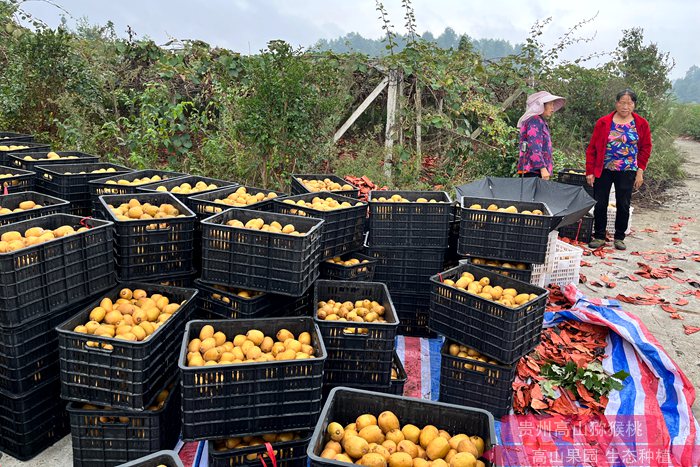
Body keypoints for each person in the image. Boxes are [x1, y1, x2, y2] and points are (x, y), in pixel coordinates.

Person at [585, 89, 652, 251]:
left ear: (634, 105)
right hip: (604, 169)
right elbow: (592, 148)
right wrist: (590, 170)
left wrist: (640, 171)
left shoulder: (641, 124)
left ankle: (619, 237)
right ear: (616, 104)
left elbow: (646, 148)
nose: (625, 106)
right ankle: (599, 235)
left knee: (623, 203)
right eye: (622, 102)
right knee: (600, 203)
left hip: (628, 170)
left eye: (629, 103)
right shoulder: (604, 122)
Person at [516, 91, 566, 180]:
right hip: (533, 170)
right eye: (550, 104)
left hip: (535, 170)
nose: (552, 108)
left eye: (553, 104)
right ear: (541, 105)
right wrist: (542, 168)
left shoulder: (539, 121)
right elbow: (534, 145)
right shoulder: (534, 120)